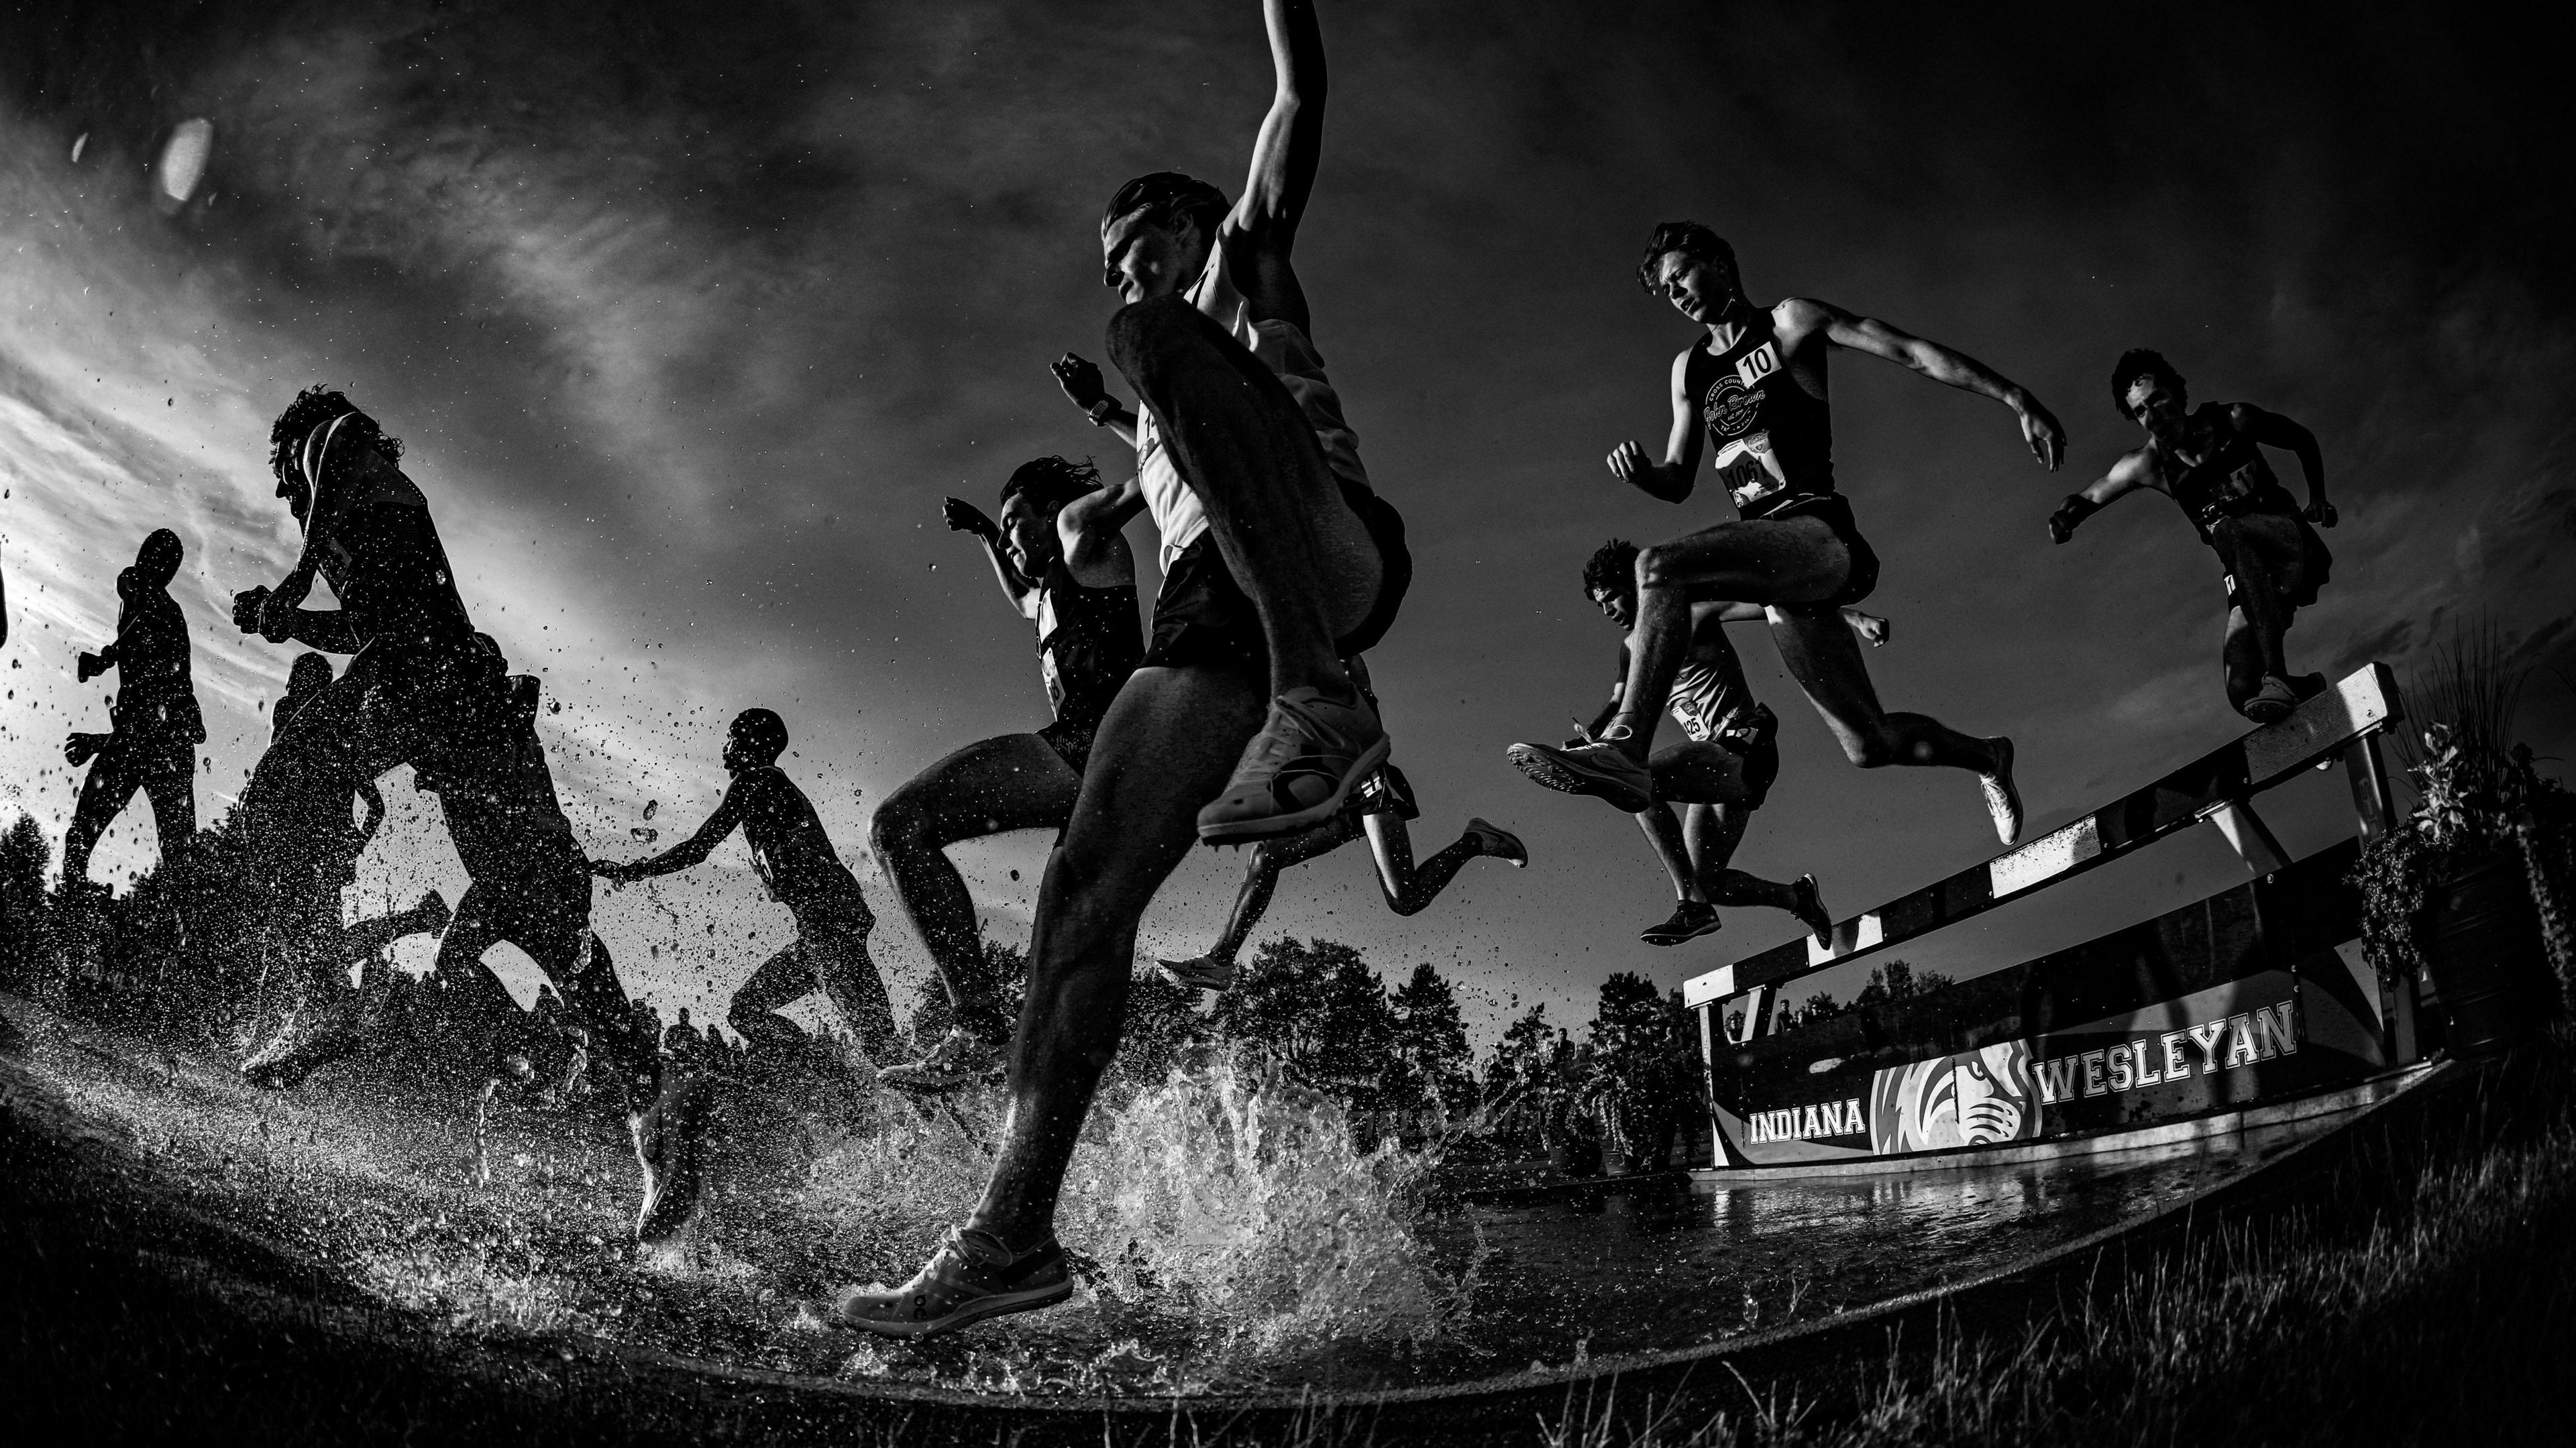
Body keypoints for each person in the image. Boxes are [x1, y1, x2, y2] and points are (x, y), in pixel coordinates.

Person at [829, 0, 1405, 1338]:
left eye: (1143, 245)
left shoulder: (1240, 267)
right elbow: (1154, 433)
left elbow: (1296, 99)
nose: (1127, 268)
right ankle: (1009, 1237)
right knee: (1082, 896)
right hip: (1211, 622)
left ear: (1198, 232)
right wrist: (1104, 430)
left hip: (1328, 555)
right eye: (1115, 255)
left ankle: (1327, 695)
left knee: (1152, 344)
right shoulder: (1149, 405)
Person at [1507, 223, 2065, 848]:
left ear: (1719, 261)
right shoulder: (1688, 369)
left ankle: (1626, 747)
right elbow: (1678, 478)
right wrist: (1645, 477)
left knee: (1658, 567)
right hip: (1773, 573)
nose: (1679, 295)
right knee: (1868, 744)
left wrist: (2016, 397)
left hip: (1816, 534)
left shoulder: (1791, 322)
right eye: (1666, 291)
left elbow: (1908, 351)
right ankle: (1990, 757)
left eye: (1684, 275)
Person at [225, 387, 519, 1020]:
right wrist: (291, 620)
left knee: (271, 795)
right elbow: (359, 628)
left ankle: (323, 998)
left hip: (418, 668)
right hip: (441, 687)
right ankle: (636, 1070)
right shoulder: (356, 511)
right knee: (519, 886)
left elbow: (341, 432)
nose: (282, 490)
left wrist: (299, 573)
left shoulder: (337, 447)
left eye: (280, 469)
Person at [872, 457, 1143, 1094]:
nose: (1011, 535)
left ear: (1055, 513)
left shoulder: (1087, 538)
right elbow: (1023, 600)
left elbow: (1150, 480)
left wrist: (1113, 411)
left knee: (896, 825)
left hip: (1091, 750)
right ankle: (1038, 1081)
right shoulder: (1050, 590)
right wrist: (982, 534)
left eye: (1017, 520)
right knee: (1055, 973)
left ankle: (975, 1025)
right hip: (1116, 779)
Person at [595, 708, 896, 1242]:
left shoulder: (755, 780)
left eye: (731, 736)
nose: (725, 746)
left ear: (749, 743)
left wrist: (631, 870)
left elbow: (699, 847)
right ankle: (823, 1074)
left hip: (831, 932)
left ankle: (855, 1090)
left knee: (886, 1057)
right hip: (819, 935)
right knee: (746, 1009)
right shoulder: (769, 785)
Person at [1515, 540, 1872, 947]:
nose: (1608, 612)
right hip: (1712, 767)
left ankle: (1693, 907)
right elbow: (1619, 701)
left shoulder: (1693, 612)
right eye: (1600, 607)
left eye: (1612, 598)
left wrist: (1853, 616)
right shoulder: (1632, 648)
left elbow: (1774, 605)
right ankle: (1797, 897)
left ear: (1635, 584)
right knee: (1708, 878)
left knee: (1635, 777)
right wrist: (1588, 737)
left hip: (1745, 743)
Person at [1158, 657, 1525, 992]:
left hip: (1370, 786)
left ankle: (1476, 840)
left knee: (1406, 899)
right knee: (1267, 854)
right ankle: (1221, 962)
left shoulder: (1339, 661)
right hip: (1335, 798)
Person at [2049, 349, 2336, 722]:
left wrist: (2318, 497)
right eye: (2140, 411)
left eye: (2157, 401)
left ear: (2179, 396)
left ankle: (2278, 676)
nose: (2153, 417)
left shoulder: (2235, 420)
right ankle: (2310, 692)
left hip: (2288, 543)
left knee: (2229, 530)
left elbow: (2301, 438)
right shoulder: (2148, 464)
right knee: (2241, 690)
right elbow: (2088, 496)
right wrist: (2063, 518)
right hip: (2248, 574)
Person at [60, 528, 203, 891]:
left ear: (160, 570)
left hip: (158, 741)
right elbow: (137, 648)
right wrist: (107, 658)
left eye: (147, 561)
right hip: (160, 740)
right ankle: (77, 911)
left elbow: (151, 725)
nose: (133, 575)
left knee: (180, 860)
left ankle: (75, 914)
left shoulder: (155, 605)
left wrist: (99, 742)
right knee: (180, 859)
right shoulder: (155, 610)